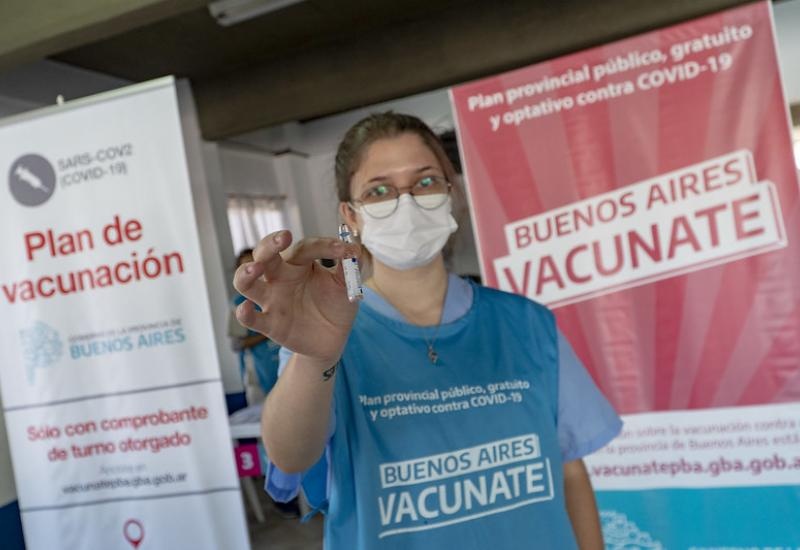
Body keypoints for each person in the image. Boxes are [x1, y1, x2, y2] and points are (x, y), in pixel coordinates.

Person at [233, 112, 622, 549]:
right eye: (379, 190)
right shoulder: (325, 332)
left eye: (425, 182)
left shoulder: (528, 324)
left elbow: (569, 470)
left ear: (450, 193)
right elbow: (290, 456)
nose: (407, 203)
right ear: (351, 215)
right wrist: (316, 358)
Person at [230, 249, 282, 405]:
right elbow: (237, 344)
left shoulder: (278, 293)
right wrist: (268, 331)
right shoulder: (238, 304)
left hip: (285, 364)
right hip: (259, 373)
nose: (252, 271)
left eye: (254, 265)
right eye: (246, 268)